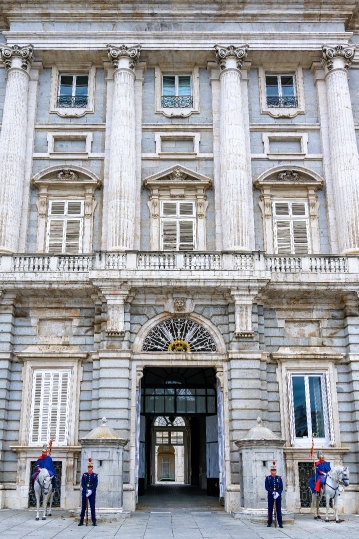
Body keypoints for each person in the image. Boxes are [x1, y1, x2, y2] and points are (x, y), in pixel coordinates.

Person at [79, 458, 98, 526]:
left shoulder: (95, 475)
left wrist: (91, 490)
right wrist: (86, 489)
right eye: (89, 467)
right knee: (83, 507)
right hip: (85, 492)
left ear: (92, 468)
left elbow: (95, 484)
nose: (90, 468)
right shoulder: (84, 475)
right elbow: (82, 484)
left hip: (92, 493)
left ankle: (94, 521)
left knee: (92, 507)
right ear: (88, 468)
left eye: (91, 467)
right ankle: (81, 520)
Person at [265, 461, 283, 528]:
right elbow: (266, 487)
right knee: (270, 509)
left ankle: (280, 523)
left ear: (276, 471)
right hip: (271, 495)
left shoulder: (279, 478)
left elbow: (281, 487)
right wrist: (272, 492)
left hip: (278, 495)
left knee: (278, 509)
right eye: (272, 470)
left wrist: (278, 493)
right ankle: (269, 522)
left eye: (274, 470)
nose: (273, 472)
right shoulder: (268, 478)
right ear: (270, 471)